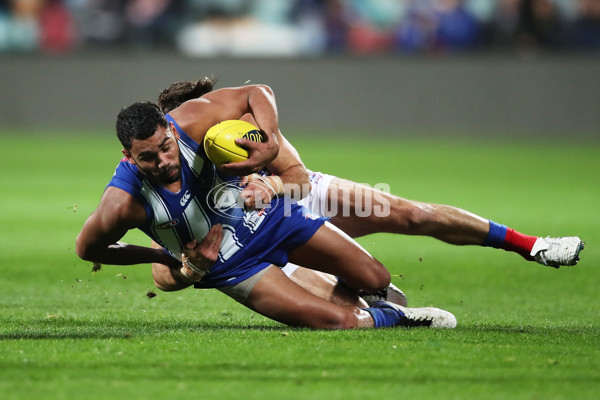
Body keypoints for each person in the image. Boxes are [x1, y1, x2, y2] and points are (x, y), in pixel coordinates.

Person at [153, 77, 585, 305]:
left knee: (411, 214)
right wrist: (191, 269)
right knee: (340, 301)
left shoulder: (242, 133)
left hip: (293, 199)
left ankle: (532, 245)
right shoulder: (168, 174)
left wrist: (269, 182)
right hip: (247, 239)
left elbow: (300, 179)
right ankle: (379, 303)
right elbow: (162, 272)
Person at [75, 100, 457, 330]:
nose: (164, 161)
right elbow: (88, 247)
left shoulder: (197, 127)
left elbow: (257, 93)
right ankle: (399, 319)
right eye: (148, 157)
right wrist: (162, 256)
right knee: (338, 323)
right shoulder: (123, 202)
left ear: (170, 130)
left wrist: (270, 142)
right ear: (128, 157)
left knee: (378, 278)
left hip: (273, 221)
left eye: (165, 147)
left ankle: (374, 300)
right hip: (235, 269)